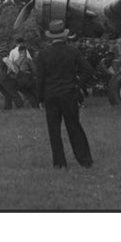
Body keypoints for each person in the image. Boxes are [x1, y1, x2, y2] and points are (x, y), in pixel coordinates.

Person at [35, 20, 94, 169]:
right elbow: (87, 70)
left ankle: (59, 163)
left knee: (54, 130)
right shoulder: (73, 52)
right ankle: (85, 160)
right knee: (74, 127)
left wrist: (40, 98)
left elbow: (40, 78)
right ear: (65, 35)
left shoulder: (43, 55)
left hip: (51, 95)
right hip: (69, 94)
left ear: (50, 36)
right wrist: (78, 86)